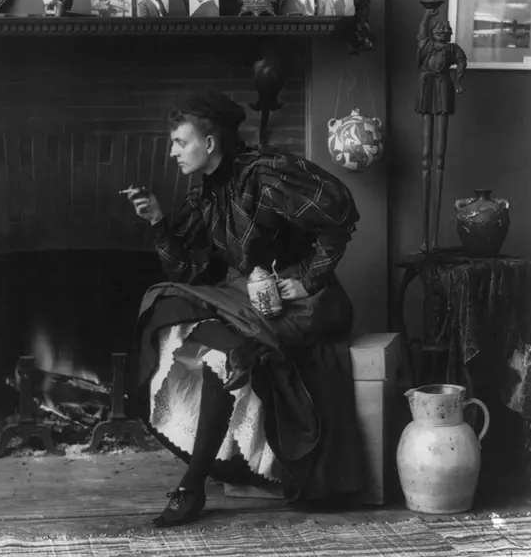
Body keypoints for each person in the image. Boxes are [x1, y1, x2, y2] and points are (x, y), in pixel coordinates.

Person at [126, 90, 365, 528]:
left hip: (304, 303)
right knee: (168, 304)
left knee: (224, 359)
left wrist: (307, 277)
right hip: (249, 294)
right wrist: (159, 221)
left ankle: (191, 487)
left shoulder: (266, 175)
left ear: (210, 142)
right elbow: (188, 270)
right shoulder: (205, 194)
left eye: (181, 142)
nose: (173, 151)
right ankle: (239, 357)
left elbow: (341, 213)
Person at [415, 8, 467, 251]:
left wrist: (457, 79)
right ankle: (425, 238)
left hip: (443, 90)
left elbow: (462, 60)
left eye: (446, 30)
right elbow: (420, 34)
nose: (443, 32)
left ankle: (434, 240)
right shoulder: (426, 44)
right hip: (427, 90)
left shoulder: (452, 49)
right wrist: (427, 15)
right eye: (439, 29)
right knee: (426, 158)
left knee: (439, 159)